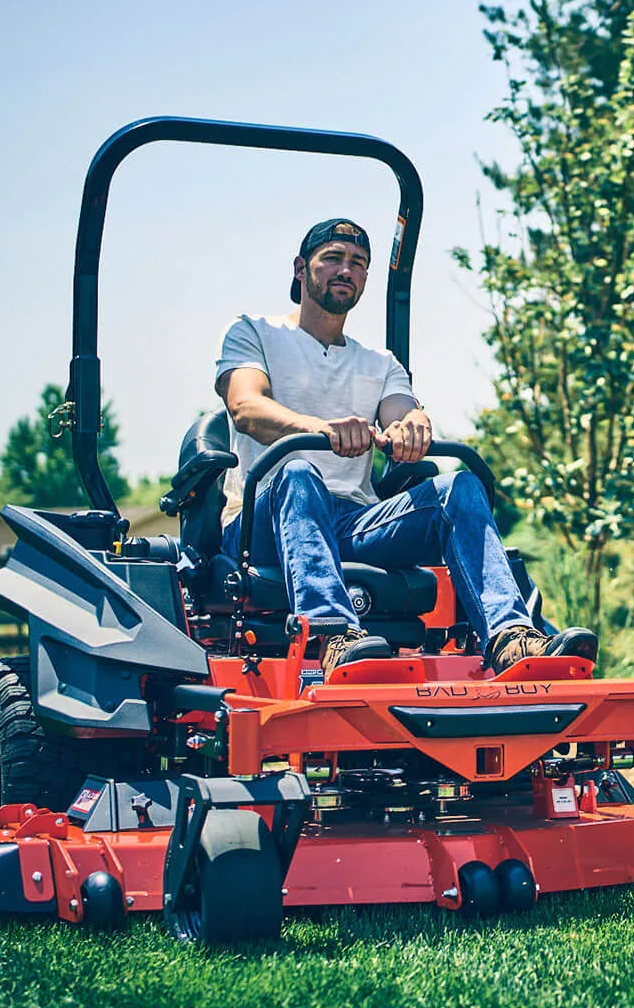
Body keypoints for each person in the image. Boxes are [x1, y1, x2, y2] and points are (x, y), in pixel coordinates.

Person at [215, 217, 595, 675]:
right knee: (299, 473)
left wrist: (412, 426)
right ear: (301, 269)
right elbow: (246, 406)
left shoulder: (380, 362)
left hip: (350, 521)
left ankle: (511, 637)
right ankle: (334, 634)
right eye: (332, 258)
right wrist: (321, 429)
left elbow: (401, 411)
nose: (345, 271)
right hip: (262, 524)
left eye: (357, 263)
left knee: (459, 486)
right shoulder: (255, 332)